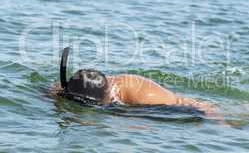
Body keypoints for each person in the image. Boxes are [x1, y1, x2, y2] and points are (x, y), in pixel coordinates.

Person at [50, 48, 220, 119]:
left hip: (189, 108)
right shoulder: (80, 83)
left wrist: (220, 121)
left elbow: (187, 104)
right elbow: (55, 91)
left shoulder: (144, 95)